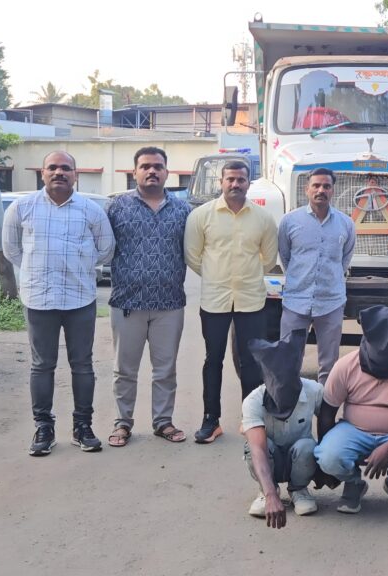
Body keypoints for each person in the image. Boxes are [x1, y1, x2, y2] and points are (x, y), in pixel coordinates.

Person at [3, 150, 115, 456]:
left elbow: (106, 250)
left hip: (80, 299)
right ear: (43, 173)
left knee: (82, 365)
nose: (59, 173)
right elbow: (12, 250)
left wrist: (78, 265)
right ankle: (44, 427)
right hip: (39, 299)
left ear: (75, 175)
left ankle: (83, 427)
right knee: (42, 365)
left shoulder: (91, 211)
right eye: (52, 168)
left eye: (66, 168)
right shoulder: (22, 208)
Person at [184, 160, 278, 444]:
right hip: (215, 300)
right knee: (213, 361)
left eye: (241, 179)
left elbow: (269, 259)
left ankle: (252, 419)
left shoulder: (262, 218)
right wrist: (216, 276)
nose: (235, 184)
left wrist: (247, 277)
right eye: (230, 179)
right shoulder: (201, 216)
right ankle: (210, 421)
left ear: (249, 183)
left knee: (251, 362)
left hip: (252, 301)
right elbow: (193, 256)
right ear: (221, 182)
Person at [105, 146, 192, 447]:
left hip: (169, 304)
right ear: (135, 172)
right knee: (124, 370)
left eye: (157, 166)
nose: (152, 171)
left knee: (165, 369)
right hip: (127, 303)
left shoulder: (183, 210)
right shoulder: (116, 207)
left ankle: (163, 421)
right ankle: (122, 423)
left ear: (167, 172)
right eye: (145, 166)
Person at [313, 306, 388, 514]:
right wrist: (328, 468)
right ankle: (353, 482)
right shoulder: (345, 365)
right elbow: (327, 413)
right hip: (353, 429)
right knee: (327, 456)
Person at [277, 167, 355, 384]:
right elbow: (286, 257)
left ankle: (324, 413)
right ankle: (289, 412)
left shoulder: (345, 224)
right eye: (316, 185)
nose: (321, 190)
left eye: (326, 186)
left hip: (331, 302)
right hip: (296, 301)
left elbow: (343, 260)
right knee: (289, 361)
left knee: (329, 365)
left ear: (333, 190)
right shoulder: (289, 221)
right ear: (307, 189)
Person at [242, 330, 323, 527]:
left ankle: (299, 489)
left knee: (307, 446)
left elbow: (328, 428)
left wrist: (324, 469)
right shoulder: (253, 400)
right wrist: (270, 495)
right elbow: (257, 449)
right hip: (271, 458)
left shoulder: (314, 391)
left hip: (300, 457)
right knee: (258, 447)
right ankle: (267, 491)